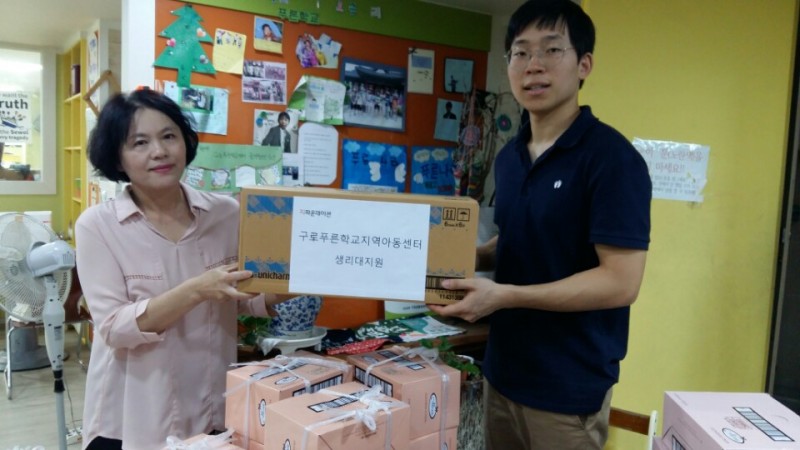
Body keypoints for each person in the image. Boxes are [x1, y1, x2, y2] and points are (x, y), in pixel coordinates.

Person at [428, 1, 652, 449]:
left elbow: (620, 282)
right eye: (520, 52)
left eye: (551, 50)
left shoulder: (612, 159)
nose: (533, 66)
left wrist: (505, 296)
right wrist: (469, 256)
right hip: (503, 373)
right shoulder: (510, 158)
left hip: (567, 388)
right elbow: (519, 238)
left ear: (584, 64)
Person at [75, 89, 286, 449]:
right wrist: (197, 290)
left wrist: (294, 283)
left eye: (169, 136)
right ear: (117, 158)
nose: (159, 151)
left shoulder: (226, 213)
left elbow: (242, 296)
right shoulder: (98, 226)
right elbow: (114, 328)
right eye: (139, 142)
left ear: (185, 142)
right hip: (131, 417)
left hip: (211, 407)